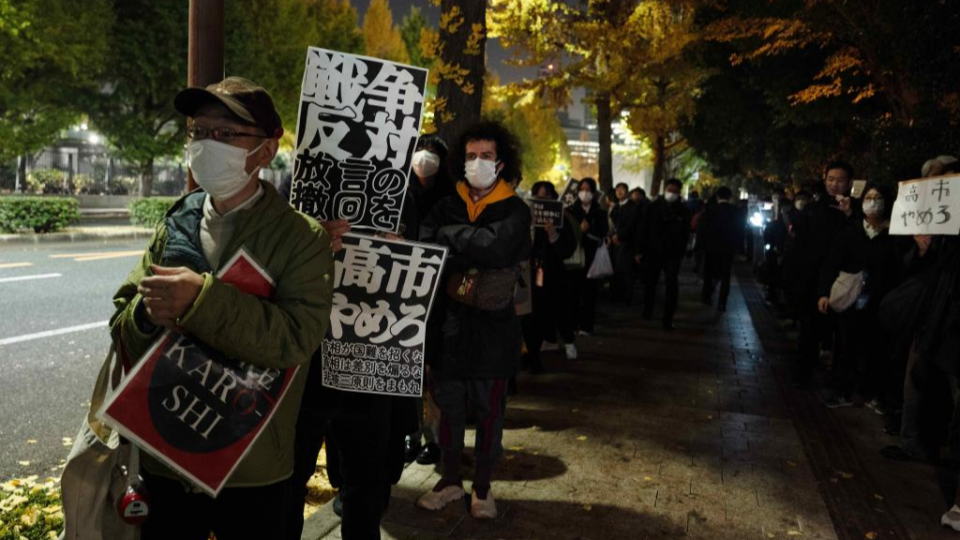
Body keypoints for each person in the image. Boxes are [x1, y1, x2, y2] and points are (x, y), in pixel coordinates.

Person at [105, 77, 334, 540]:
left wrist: (201, 301)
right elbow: (123, 320)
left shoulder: (301, 238)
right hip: (165, 452)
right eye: (199, 131)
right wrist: (146, 316)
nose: (208, 144)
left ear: (265, 151)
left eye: (227, 134)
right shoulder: (178, 221)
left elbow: (296, 339)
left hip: (252, 466)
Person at [417, 121, 531, 519]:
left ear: (500, 163)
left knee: (489, 412)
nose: (477, 162)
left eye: (485, 156)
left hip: (493, 330)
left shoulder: (514, 209)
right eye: (470, 156)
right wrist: (468, 244)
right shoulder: (447, 203)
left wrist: (453, 238)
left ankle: (483, 487)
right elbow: (427, 245)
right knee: (448, 407)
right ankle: (450, 480)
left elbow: (497, 249)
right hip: (449, 327)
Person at [815, 182, 901, 408]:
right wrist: (824, 292)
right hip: (851, 298)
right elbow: (832, 262)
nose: (872, 203)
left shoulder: (895, 234)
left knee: (875, 347)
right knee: (846, 345)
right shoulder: (851, 230)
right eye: (868, 198)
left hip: (881, 301)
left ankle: (870, 391)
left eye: (878, 198)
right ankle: (843, 390)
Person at [402, 135, 452, 466]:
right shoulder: (398, 191)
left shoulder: (449, 200)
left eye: (432, 153)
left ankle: (434, 439)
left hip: (437, 295)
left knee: (432, 372)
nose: (424, 158)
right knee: (407, 368)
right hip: (401, 291)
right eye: (421, 150)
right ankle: (410, 433)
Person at [789, 160, 858, 387]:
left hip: (842, 279)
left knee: (841, 333)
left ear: (849, 182)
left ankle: (838, 379)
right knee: (809, 329)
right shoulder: (814, 207)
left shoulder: (854, 209)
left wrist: (849, 214)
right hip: (811, 278)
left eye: (840, 180)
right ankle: (803, 372)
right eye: (831, 179)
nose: (834, 184)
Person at [522, 181, 578, 371]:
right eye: (537, 196)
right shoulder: (527, 218)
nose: (541, 201)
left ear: (553, 198)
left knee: (560, 309)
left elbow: (568, 249)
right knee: (532, 315)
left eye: (545, 196)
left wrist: (553, 234)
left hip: (554, 274)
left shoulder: (562, 219)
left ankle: (568, 341)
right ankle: (534, 354)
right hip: (531, 273)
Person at [636, 178, 691, 330]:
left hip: (672, 253)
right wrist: (639, 250)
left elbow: (685, 233)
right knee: (650, 283)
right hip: (652, 251)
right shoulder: (652, 207)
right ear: (664, 189)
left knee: (672, 285)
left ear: (679, 192)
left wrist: (681, 251)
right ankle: (647, 310)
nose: (671, 193)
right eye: (669, 190)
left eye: (675, 191)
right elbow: (643, 229)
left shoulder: (683, 210)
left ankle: (668, 317)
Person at [567, 177, 609, 336]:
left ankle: (586, 326)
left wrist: (590, 230)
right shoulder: (570, 210)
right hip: (574, 256)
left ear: (593, 192)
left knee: (590, 292)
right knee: (573, 291)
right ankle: (572, 324)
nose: (585, 192)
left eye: (588, 189)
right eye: (582, 189)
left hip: (592, 256)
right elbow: (567, 232)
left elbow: (604, 231)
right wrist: (579, 229)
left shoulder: (599, 212)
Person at [699, 186, 743, 311]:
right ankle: (722, 302)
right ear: (729, 197)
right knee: (725, 275)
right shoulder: (735, 211)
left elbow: (702, 229)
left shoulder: (710, 210)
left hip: (711, 247)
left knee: (708, 272)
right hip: (728, 247)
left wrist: (701, 246)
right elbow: (740, 230)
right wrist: (738, 246)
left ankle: (706, 296)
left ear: (717, 196)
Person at [609, 182, 639, 303]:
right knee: (616, 269)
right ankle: (617, 295)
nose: (619, 192)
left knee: (626, 270)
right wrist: (612, 235)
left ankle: (627, 297)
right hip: (615, 242)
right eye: (617, 190)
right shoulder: (616, 206)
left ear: (627, 192)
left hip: (627, 243)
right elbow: (612, 222)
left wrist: (620, 236)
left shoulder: (633, 206)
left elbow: (632, 224)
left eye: (622, 189)